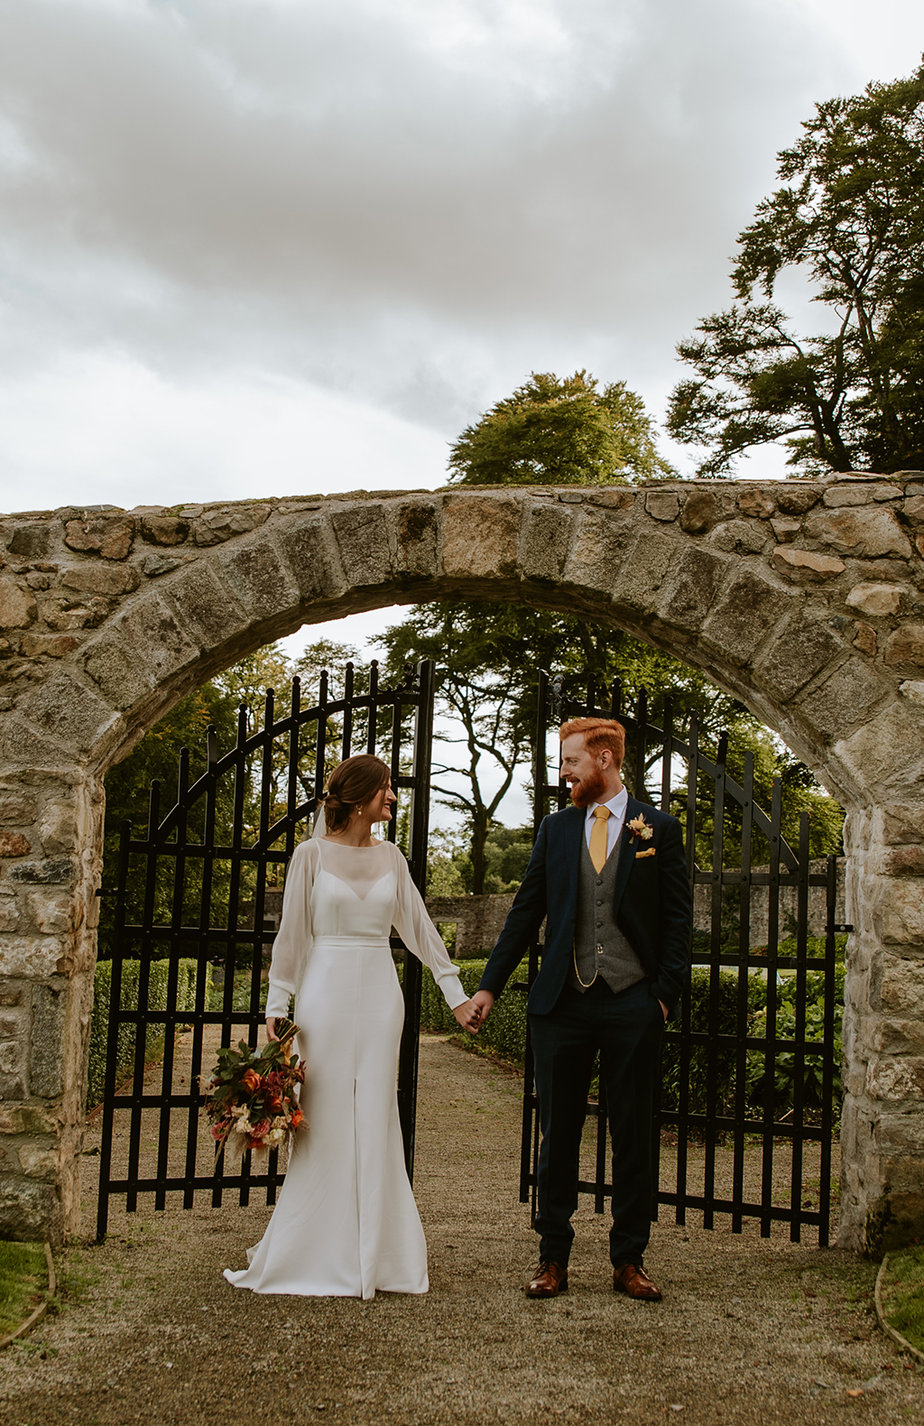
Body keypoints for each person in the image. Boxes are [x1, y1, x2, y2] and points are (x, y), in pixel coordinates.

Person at [224, 753, 480, 1300]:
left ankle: (379, 1252)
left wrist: (455, 994)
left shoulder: (393, 858)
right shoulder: (309, 856)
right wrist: (277, 1000)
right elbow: (291, 935)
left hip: (381, 995)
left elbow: (420, 929)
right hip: (325, 996)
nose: (394, 796)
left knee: (377, 1113)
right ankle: (316, 1247)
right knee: (325, 1114)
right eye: (387, 788)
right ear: (361, 796)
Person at [470, 717, 691, 1302]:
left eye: (570, 761)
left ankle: (629, 1260)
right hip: (561, 1004)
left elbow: (677, 924)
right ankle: (552, 1258)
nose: (562, 772)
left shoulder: (658, 831)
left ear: (604, 759)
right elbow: (525, 911)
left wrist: (662, 997)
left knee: (634, 1135)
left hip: (632, 1003)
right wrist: (490, 985)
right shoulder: (556, 829)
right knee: (557, 1135)